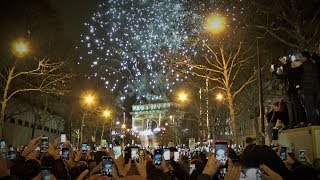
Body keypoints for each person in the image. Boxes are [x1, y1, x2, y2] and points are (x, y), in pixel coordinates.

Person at [294, 51, 320, 126]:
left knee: (310, 106)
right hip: (316, 88)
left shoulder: (304, 66)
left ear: (304, 57)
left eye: (300, 57)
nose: (299, 58)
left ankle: (314, 122)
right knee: (316, 105)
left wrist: (288, 64)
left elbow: (294, 72)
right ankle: (317, 121)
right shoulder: (314, 64)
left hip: (308, 89)